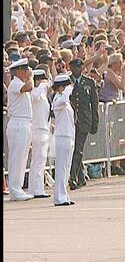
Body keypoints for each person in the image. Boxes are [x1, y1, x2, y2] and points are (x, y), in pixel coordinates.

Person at [6, 58, 34, 201]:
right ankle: (15, 189)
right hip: (18, 123)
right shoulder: (15, 83)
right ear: (19, 71)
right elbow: (28, 88)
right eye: (25, 70)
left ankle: (18, 188)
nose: (27, 73)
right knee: (17, 158)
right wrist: (31, 78)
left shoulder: (20, 83)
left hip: (24, 123)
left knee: (22, 158)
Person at [25, 67, 52, 198]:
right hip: (37, 129)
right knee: (37, 160)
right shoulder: (34, 92)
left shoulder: (41, 93)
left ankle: (37, 187)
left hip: (43, 129)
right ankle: (35, 189)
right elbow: (34, 95)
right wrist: (43, 85)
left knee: (41, 160)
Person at [50, 73, 76, 206]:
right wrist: (68, 90)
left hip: (69, 135)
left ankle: (64, 195)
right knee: (61, 168)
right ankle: (59, 197)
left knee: (67, 167)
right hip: (62, 137)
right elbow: (64, 100)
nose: (68, 88)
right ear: (60, 88)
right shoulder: (57, 99)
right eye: (65, 86)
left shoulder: (64, 99)